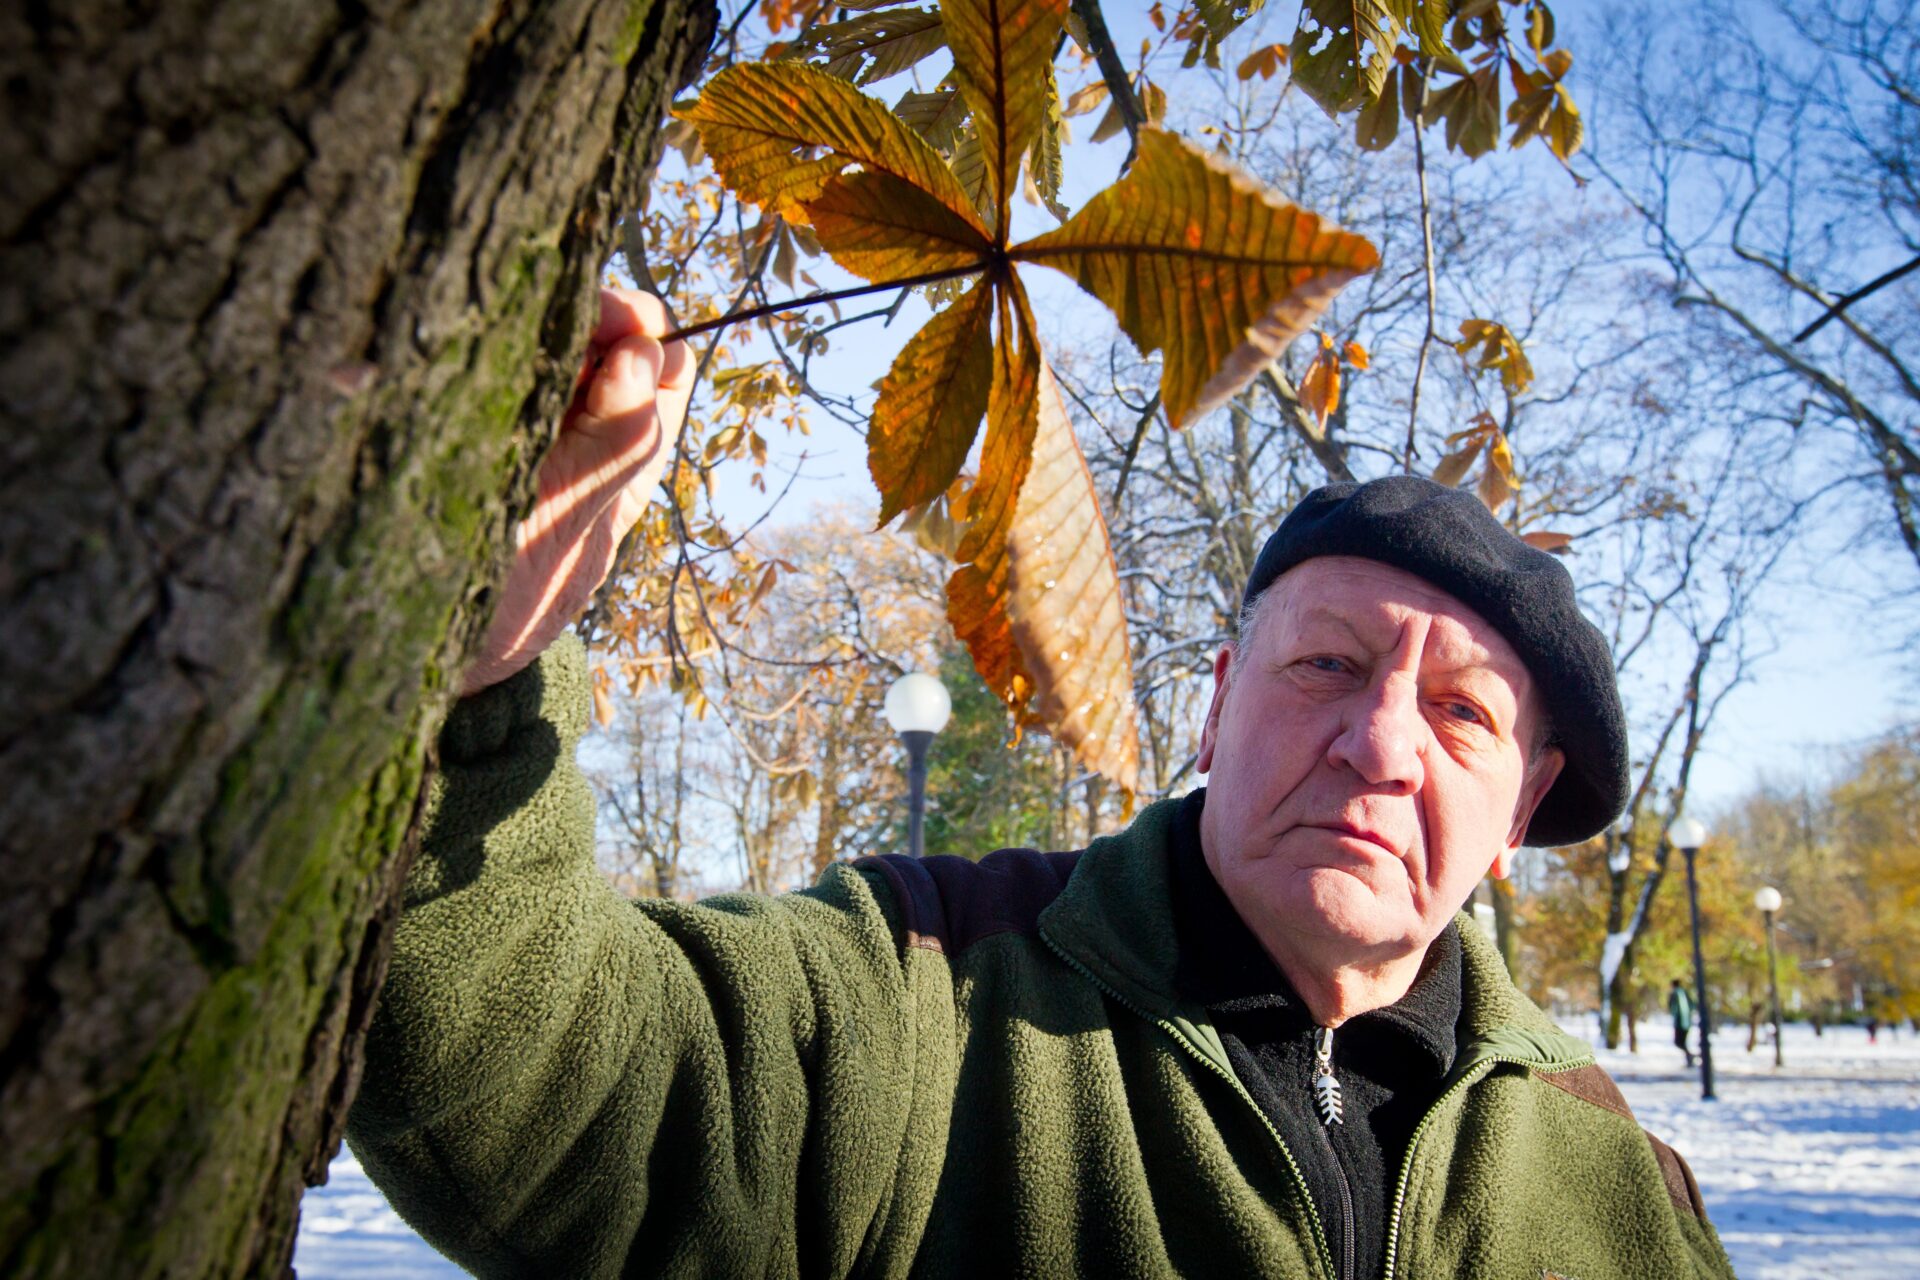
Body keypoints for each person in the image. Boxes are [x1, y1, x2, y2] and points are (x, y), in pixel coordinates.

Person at [346, 288, 1734, 1278]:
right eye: (1328, 665)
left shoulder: (1616, 1179)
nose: (1380, 744)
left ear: (1518, 814)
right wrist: (478, 677)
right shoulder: (924, 990)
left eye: (1461, 712)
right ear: (1214, 709)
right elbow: (551, 1080)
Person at [1669, 979, 1695, 1067]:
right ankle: (1690, 1058)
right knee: (1683, 1042)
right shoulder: (1685, 993)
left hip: (1679, 1022)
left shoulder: (1675, 994)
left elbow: (1673, 1008)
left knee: (1678, 1042)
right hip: (1687, 1022)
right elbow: (1692, 1005)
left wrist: (1675, 1014)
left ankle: (1690, 1057)